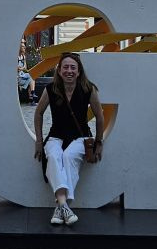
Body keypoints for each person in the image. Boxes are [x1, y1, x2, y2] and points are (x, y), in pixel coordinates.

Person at [32, 52, 104, 226]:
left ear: (79, 71)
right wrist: (39, 141)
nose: (69, 71)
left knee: (69, 156)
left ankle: (60, 208)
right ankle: (64, 206)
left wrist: (99, 142)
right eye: (65, 67)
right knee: (55, 157)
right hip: (56, 136)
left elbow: (100, 117)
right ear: (59, 70)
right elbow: (38, 113)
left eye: (73, 67)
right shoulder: (51, 89)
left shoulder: (88, 89)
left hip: (80, 137)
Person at [18, 39, 36, 104]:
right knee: (31, 78)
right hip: (17, 76)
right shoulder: (16, 57)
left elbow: (25, 67)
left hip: (22, 74)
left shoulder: (23, 56)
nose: (24, 48)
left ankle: (32, 95)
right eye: (23, 47)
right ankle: (32, 98)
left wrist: (21, 68)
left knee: (32, 77)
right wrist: (21, 68)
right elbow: (16, 68)